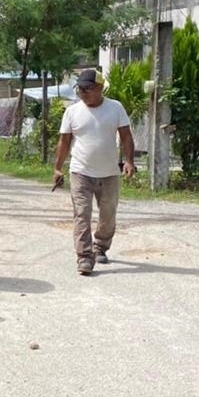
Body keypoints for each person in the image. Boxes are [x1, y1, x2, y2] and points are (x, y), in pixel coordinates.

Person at [53, 68, 136, 276]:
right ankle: (84, 257)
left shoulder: (115, 108)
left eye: (87, 89)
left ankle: (100, 246)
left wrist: (129, 161)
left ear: (100, 88)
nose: (82, 93)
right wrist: (57, 167)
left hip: (109, 173)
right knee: (82, 214)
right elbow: (64, 142)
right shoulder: (72, 111)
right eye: (79, 89)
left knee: (108, 215)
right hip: (80, 172)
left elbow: (126, 136)